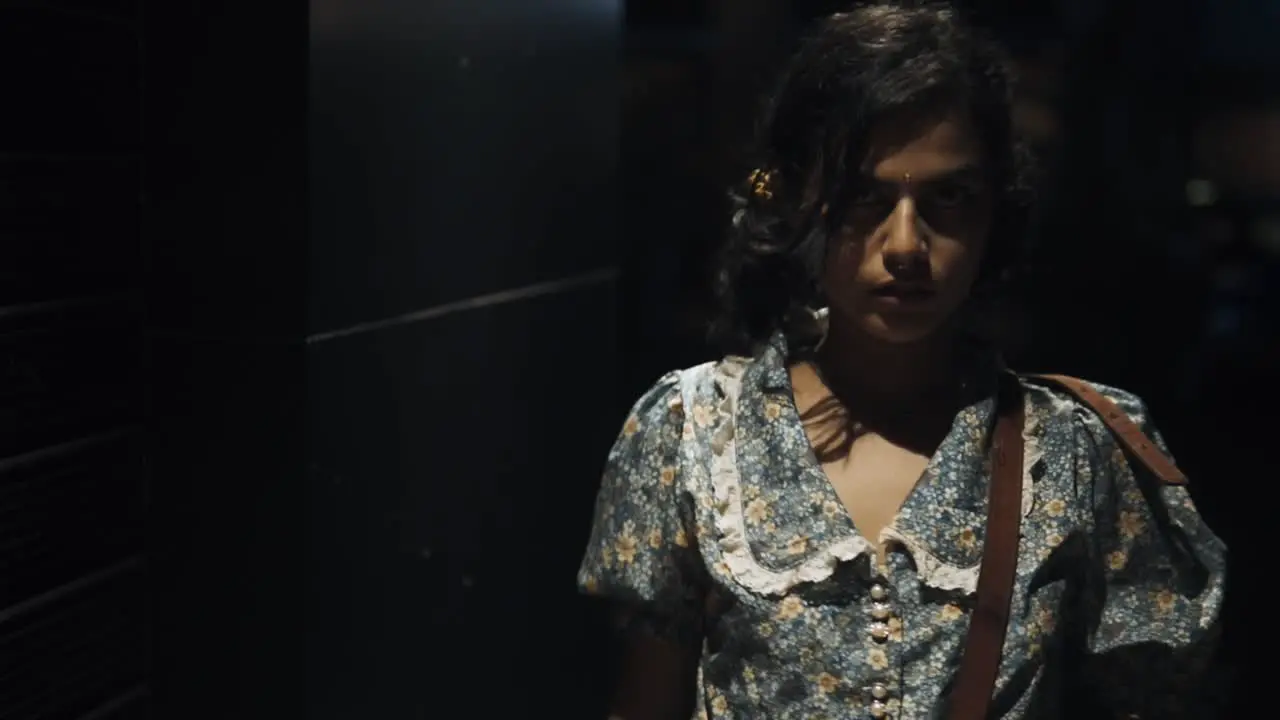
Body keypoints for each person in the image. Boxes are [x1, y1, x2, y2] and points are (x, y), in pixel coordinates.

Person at [577, 3, 1226, 718]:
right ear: (802, 200)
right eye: (863, 198)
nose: (907, 245)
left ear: (994, 210)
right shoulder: (690, 433)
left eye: (949, 197)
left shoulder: (1078, 451)